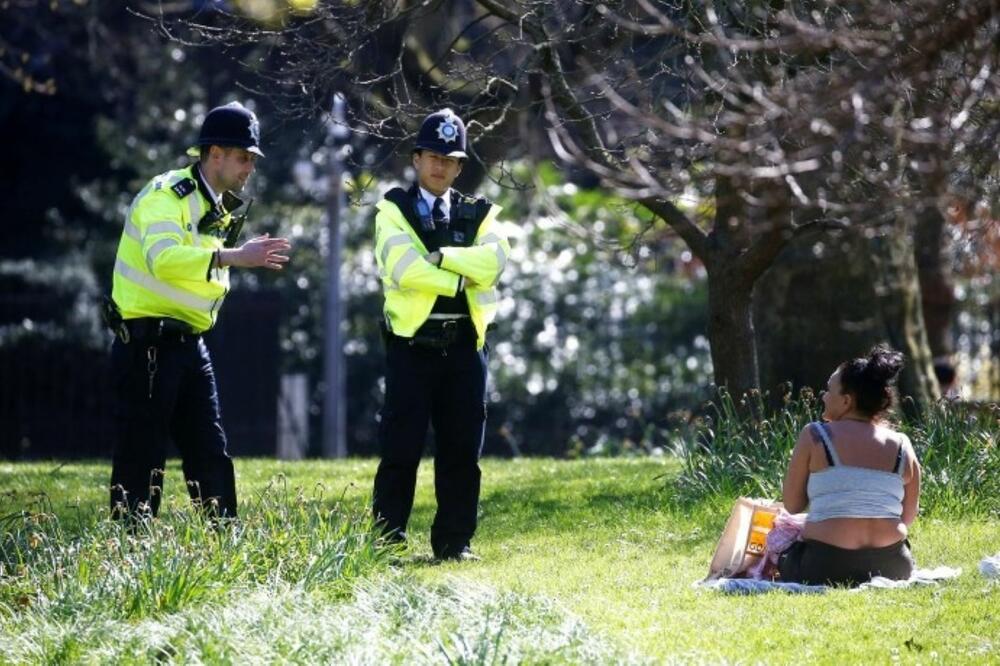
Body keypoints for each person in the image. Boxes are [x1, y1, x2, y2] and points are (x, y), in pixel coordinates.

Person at [106, 101, 291, 520]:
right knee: (142, 454)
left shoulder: (216, 206)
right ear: (214, 154)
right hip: (147, 345)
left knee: (210, 450)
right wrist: (234, 257)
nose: (249, 168)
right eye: (243, 157)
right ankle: (129, 549)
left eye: (252, 159)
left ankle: (226, 540)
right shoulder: (166, 196)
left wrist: (234, 255)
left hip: (189, 345)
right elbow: (163, 259)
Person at [371, 108, 511, 561]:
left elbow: (494, 265)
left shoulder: (481, 213)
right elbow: (404, 270)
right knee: (401, 449)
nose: (440, 166)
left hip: (464, 347)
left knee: (462, 453)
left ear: (460, 166)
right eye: (432, 156)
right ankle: (386, 540)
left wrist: (441, 256)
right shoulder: (393, 209)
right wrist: (459, 276)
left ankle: (455, 542)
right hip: (412, 347)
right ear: (416, 158)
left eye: (449, 159)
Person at [779, 345, 922, 586]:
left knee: (779, 549)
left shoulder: (815, 435)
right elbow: (907, 517)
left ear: (846, 401)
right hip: (894, 565)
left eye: (828, 390)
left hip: (824, 565)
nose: (823, 396)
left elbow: (792, 505)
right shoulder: (902, 445)